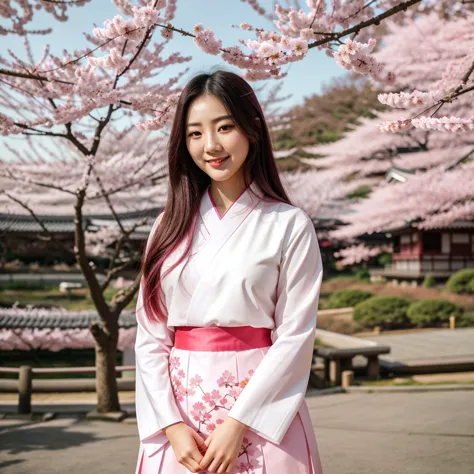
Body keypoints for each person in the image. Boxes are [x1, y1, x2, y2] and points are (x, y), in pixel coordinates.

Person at [134, 69, 323, 474]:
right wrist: (170, 424)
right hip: (181, 417)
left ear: (252, 129)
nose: (212, 146)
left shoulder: (289, 224)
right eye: (195, 133)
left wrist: (239, 423)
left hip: (260, 413)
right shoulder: (166, 226)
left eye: (225, 127)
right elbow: (150, 337)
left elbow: (295, 335)